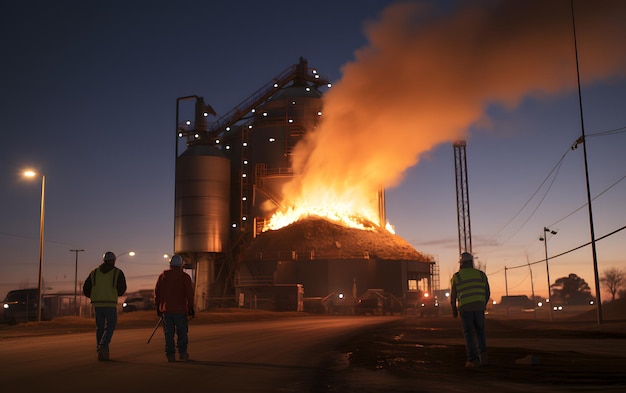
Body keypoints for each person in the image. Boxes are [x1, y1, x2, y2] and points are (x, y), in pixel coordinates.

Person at [82, 251, 127, 361]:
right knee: (111, 325)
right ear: (114, 260)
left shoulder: (94, 272)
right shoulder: (117, 272)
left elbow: (86, 288)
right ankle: (103, 345)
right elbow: (122, 289)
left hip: (97, 304)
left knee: (100, 328)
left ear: (104, 261)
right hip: (110, 304)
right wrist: (114, 293)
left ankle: (102, 353)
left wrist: (94, 296)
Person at [450, 252, 490, 368]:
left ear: (461, 263)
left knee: (469, 334)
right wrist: (483, 304)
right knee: (480, 332)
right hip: (479, 308)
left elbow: (453, 295)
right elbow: (487, 292)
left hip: (465, 309)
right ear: (472, 262)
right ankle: (484, 358)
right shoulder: (481, 275)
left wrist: (454, 309)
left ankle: (473, 360)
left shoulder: (457, 276)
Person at [154, 254, 195, 362]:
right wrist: (191, 307)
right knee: (182, 333)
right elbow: (189, 294)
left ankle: (170, 354)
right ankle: (183, 353)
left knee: (168, 334)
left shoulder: (162, 277)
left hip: (166, 310)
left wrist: (158, 307)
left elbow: (157, 293)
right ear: (181, 265)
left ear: (170, 265)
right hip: (180, 310)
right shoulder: (185, 277)